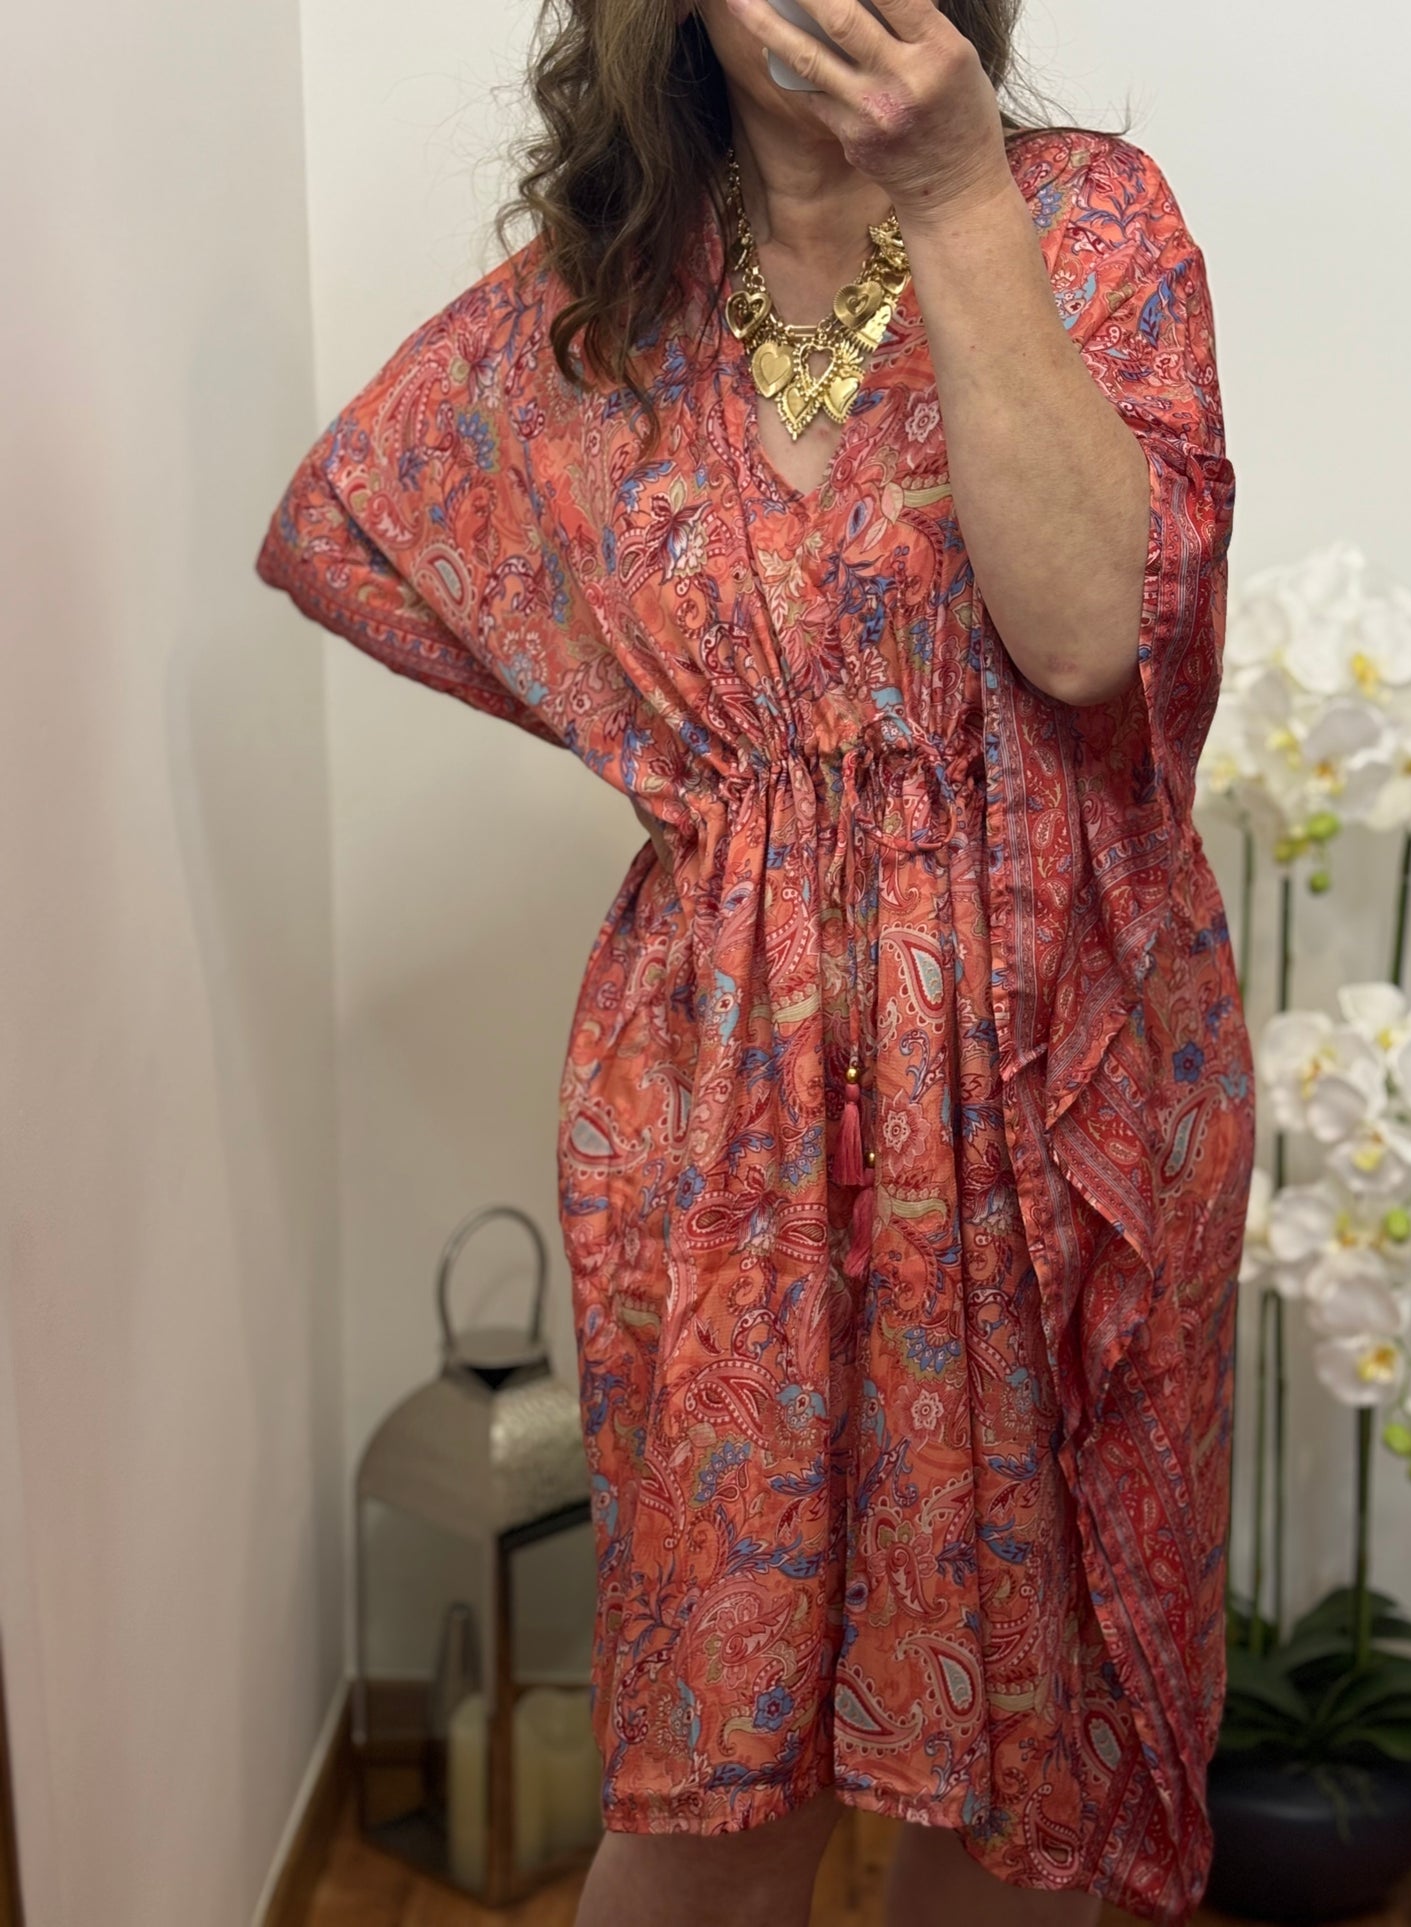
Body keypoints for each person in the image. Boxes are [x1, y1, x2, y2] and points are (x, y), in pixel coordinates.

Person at [255, 0, 1255, 1921]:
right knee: (711, 1789)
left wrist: (949, 190)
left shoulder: (1085, 221)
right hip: (727, 1117)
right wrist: (706, 767)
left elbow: (1083, 638)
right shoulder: (603, 306)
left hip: (1058, 1103)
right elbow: (361, 519)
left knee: (1026, 1788)